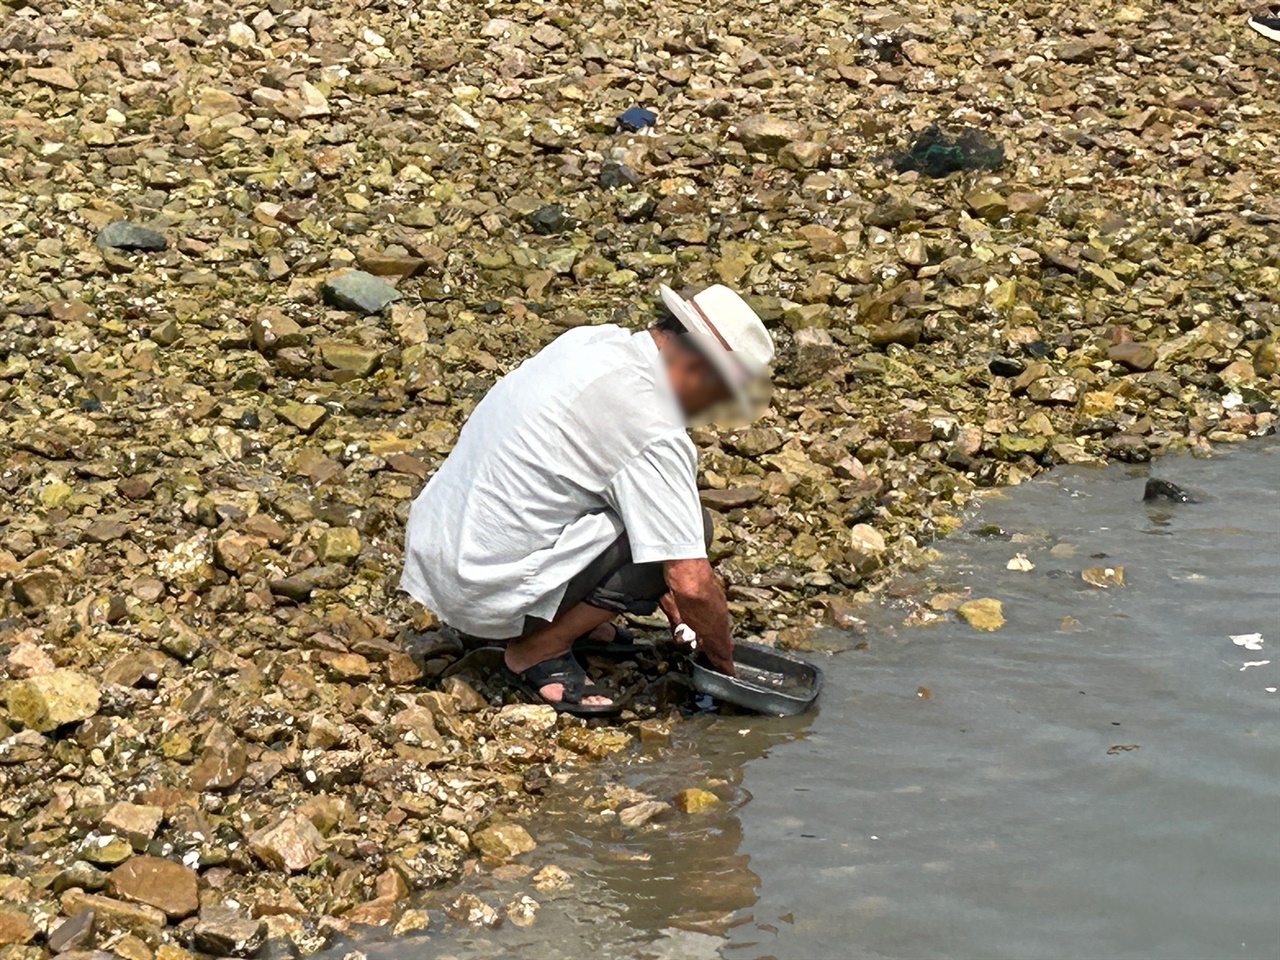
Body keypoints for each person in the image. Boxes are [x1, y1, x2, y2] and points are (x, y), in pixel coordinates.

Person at [400, 284, 775, 716]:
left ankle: (561, 618)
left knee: (647, 511)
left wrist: (668, 599)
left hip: (439, 558)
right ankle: (538, 649)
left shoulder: (590, 341)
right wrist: (722, 658)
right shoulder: (653, 424)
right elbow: (689, 580)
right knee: (691, 527)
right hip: (479, 591)